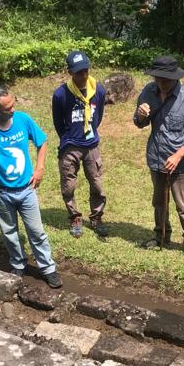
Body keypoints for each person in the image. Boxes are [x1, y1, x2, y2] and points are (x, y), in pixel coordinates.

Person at [0, 85, 62, 288]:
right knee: (9, 232)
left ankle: (48, 268)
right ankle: (18, 263)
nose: (12, 110)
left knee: (36, 232)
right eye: (7, 108)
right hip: (0, 192)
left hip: (26, 190)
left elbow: (42, 142)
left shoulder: (23, 120)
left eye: (13, 105)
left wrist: (40, 168)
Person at [134, 55, 184, 258]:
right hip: (156, 157)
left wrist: (178, 156)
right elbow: (139, 123)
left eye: (165, 79)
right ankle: (161, 235)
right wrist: (140, 115)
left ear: (175, 78)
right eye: (157, 78)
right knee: (159, 202)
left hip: (181, 162)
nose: (160, 83)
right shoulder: (148, 91)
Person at [51, 50, 108, 238]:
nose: (83, 75)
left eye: (86, 71)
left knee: (97, 183)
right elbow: (58, 123)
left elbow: (98, 117)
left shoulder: (98, 90)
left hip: (91, 145)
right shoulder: (60, 94)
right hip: (70, 146)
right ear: (70, 72)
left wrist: (87, 134)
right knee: (68, 185)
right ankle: (74, 216)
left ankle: (96, 217)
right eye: (78, 72)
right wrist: (69, 138)